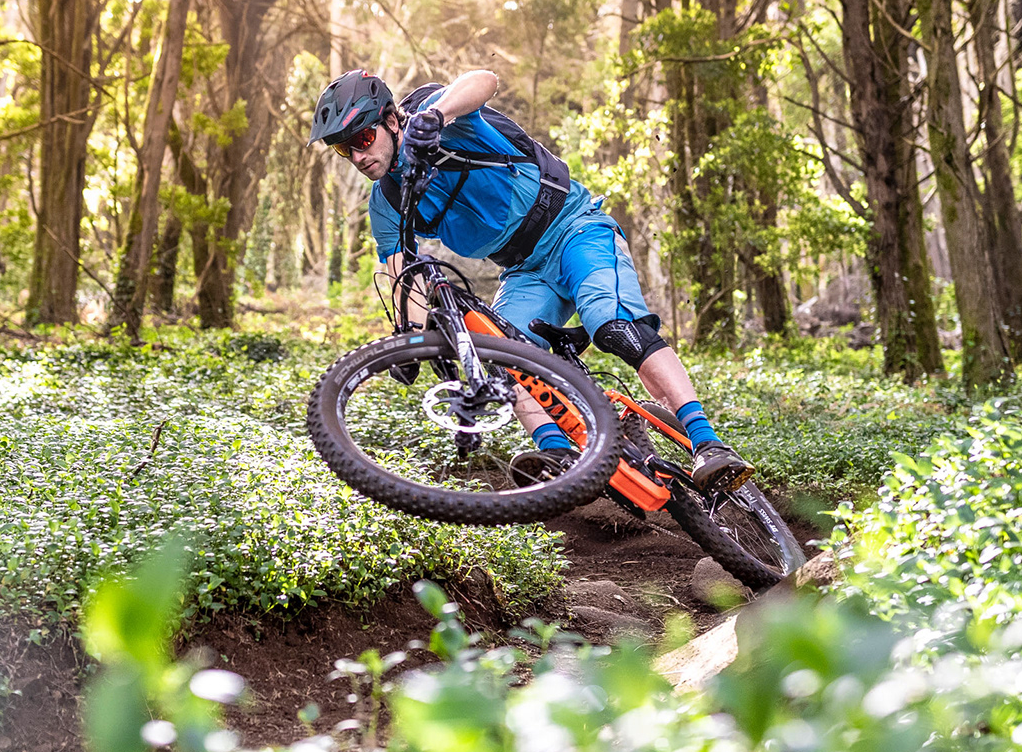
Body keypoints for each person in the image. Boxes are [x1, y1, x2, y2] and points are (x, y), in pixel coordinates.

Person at [309, 66, 753, 494]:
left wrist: (437, 115)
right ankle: (556, 455)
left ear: (390, 119)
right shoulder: (385, 201)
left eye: (364, 139)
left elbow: (484, 81)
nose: (359, 156)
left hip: (574, 228)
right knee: (498, 357)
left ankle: (706, 442)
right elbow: (399, 273)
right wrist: (408, 334)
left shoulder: (435, 115)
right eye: (345, 150)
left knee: (616, 327)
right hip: (522, 270)